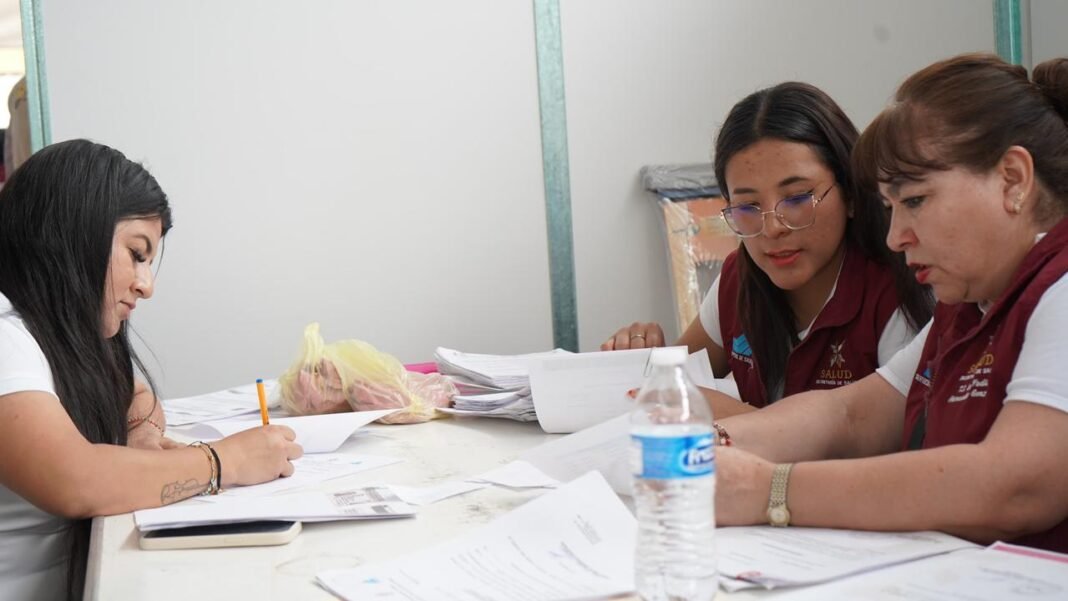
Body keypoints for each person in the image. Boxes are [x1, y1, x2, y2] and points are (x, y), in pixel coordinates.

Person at [713, 53, 1068, 552]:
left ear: (1012, 179)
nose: (896, 236)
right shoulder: (968, 302)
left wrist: (768, 490)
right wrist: (706, 447)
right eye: (889, 207)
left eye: (915, 200)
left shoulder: (1060, 287)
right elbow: (851, 416)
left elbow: (1016, 485)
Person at [0, 139, 304, 601]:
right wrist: (227, 461)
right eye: (137, 254)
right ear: (71, 236)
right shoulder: (5, 334)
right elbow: (73, 480)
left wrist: (137, 430)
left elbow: (135, 394)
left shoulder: (50, 332)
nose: (146, 286)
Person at [603, 83, 932, 417]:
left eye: (797, 198)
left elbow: (887, 439)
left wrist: (739, 419)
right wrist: (641, 358)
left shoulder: (898, 292)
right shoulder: (738, 281)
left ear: (850, 193)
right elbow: (663, 393)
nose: (773, 228)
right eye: (747, 206)